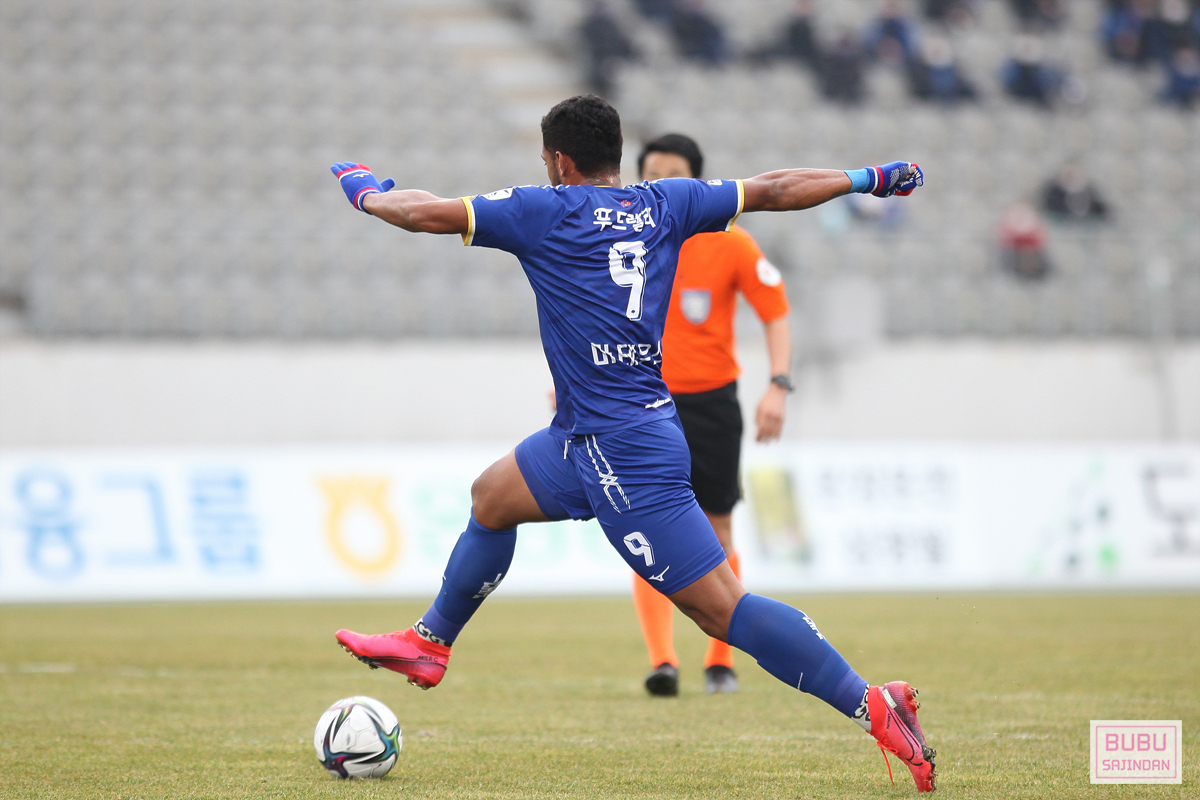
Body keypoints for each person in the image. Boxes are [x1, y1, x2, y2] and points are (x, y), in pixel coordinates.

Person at [330, 95, 934, 792]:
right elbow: (774, 187)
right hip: (588, 434)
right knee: (492, 498)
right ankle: (429, 644)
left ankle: (871, 704)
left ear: (559, 161)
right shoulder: (667, 202)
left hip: (624, 450)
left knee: (722, 608)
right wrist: (868, 179)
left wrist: (367, 194)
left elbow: (419, 212)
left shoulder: (540, 209)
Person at [631, 133, 791, 697]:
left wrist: (778, 384)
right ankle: (662, 662)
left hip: (712, 406)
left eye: (673, 175)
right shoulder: (624, 240)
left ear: (697, 183)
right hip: (641, 402)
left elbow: (774, 310)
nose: (661, 185)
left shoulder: (732, 242)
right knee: (644, 532)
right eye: (652, 175)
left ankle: (721, 661)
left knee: (719, 531)